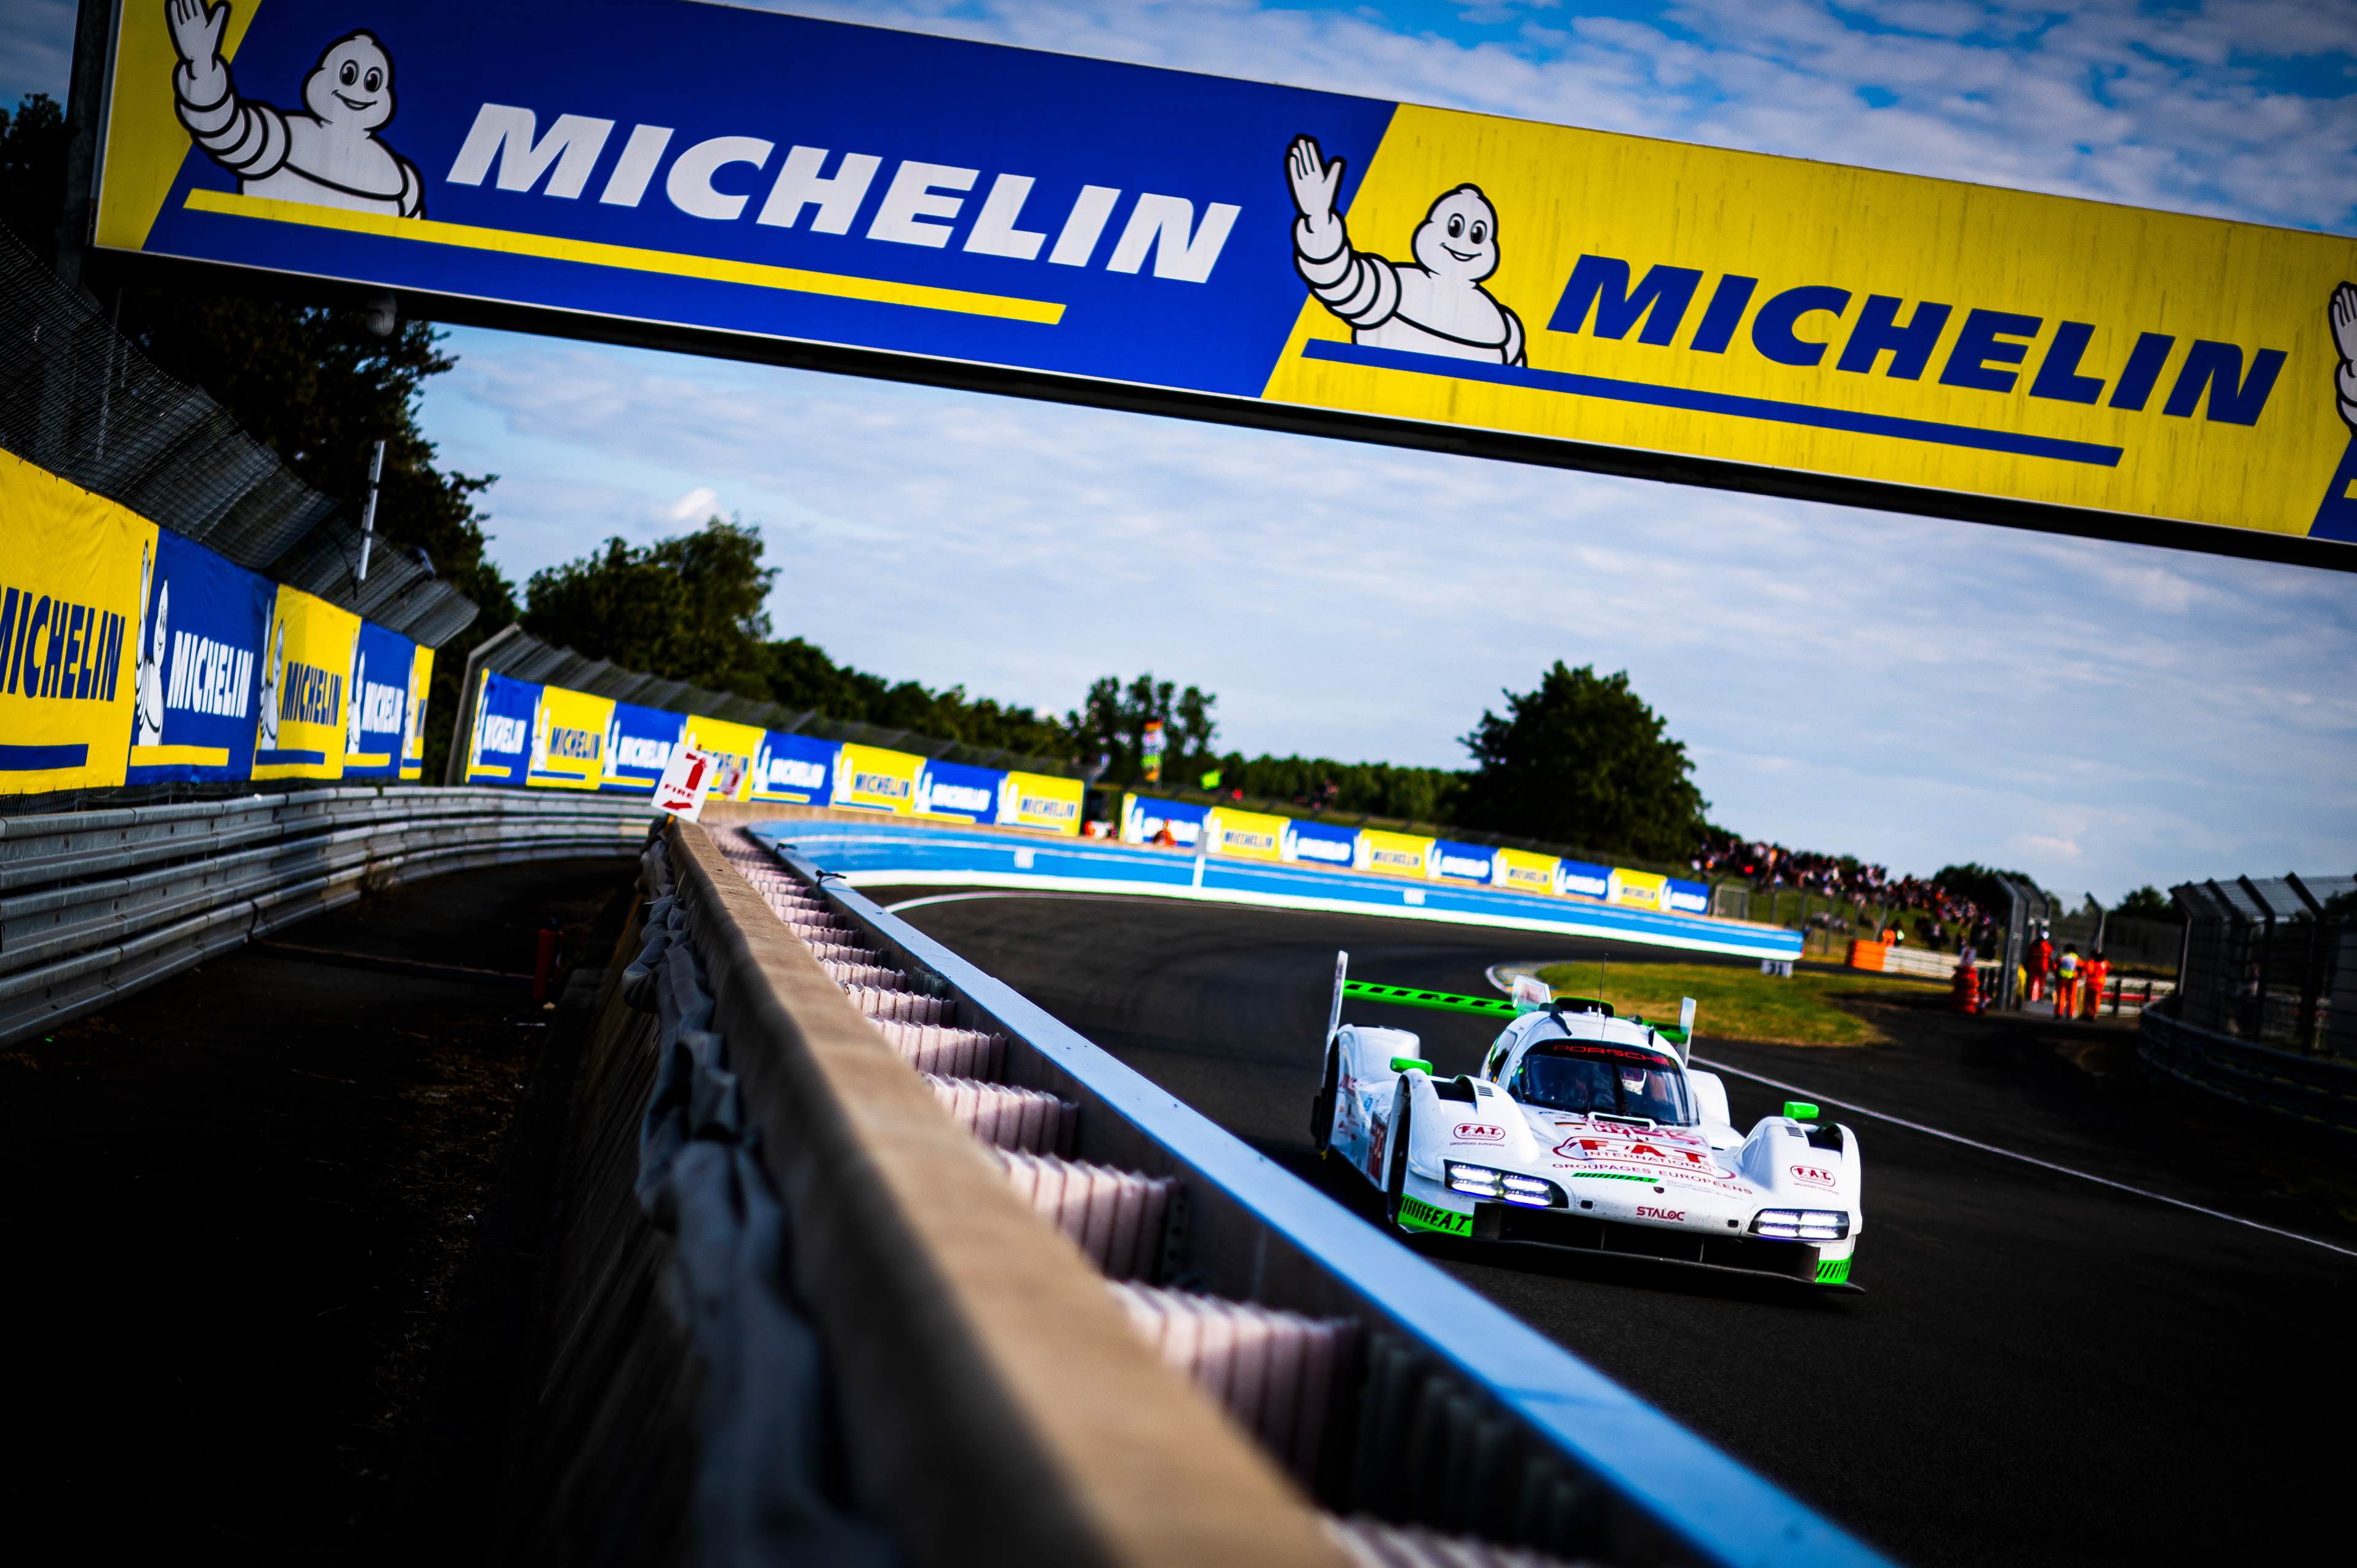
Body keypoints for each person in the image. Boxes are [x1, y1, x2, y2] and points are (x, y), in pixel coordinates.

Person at [2081, 950, 2111, 1019]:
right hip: (2100, 984)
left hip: (2092, 983)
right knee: (2096, 1000)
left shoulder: (2093, 963)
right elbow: (2110, 968)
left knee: (2089, 1000)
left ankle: (2091, 1014)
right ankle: (2093, 1014)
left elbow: (2089, 970)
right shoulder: (2105, 963)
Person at [2056, 943, 2081, 1019]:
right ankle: (2069, 1014)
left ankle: (2058, 1013)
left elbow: (2054, 966)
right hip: (2072, 979)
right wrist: (2079, 976)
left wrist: (2057, 974)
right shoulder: (2076, 958)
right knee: (2072, 997)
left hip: (2062, 978)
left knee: (2061, 997)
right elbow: (2082, 967)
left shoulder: (2062, 957)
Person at [2027, 929, 2053, 1002]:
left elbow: (2028, 954)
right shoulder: (2047, 946)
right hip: (2043, 965)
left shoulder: (2033, 945)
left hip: (2033, 964)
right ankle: (2041, 996)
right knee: (2042, 982)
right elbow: (2050, 956)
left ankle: (2029, 994)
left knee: (2031, 980)